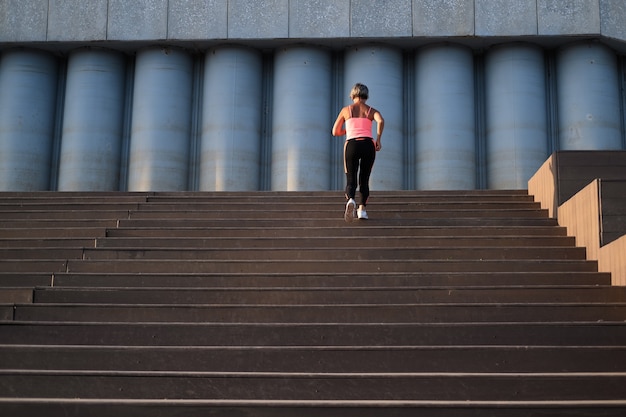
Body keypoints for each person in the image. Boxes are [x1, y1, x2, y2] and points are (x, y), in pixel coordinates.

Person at [332, 83, 384, 222]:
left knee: (351, 177)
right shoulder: (371, 110)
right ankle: (362, 210)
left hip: (352, 144)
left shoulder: (346, 110)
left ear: (352, 95)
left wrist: (348, 131)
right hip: (368, 144)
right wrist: (378, 139)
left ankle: (350, 200)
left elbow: (335, 131)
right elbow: (381, 120)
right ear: (366, 95)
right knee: (364, 178)